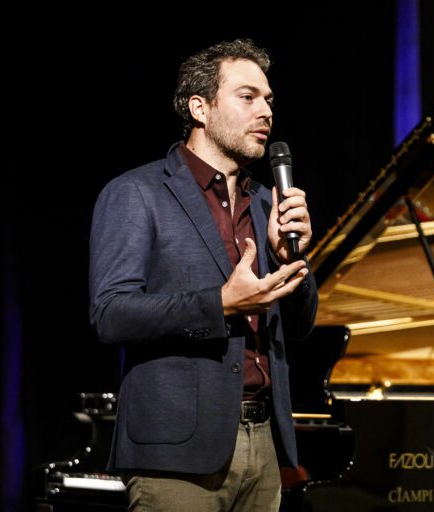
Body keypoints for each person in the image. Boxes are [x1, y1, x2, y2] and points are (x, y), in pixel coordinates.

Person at [88, 38, 317, 511]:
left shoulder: (266, 201)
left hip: (265, 444)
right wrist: (221, 303)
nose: (266, 111)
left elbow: (299, 326)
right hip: (176, 455)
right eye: (247, 97)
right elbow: (110, 314)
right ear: (200, 107)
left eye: (269, 100)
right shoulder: (137, 192)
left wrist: (292, 256)